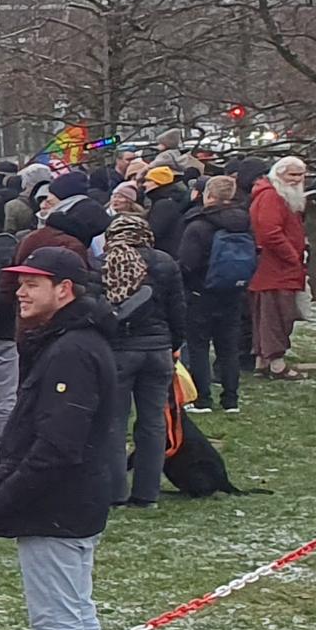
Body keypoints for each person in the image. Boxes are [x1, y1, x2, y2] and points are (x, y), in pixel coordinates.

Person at [0, 246, 120, 630]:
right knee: (77, 614)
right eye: (20, 282)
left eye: (33, 283)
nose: (20, 292)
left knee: (61, 621)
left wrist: (14, 490)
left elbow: (60, 441)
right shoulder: (69, 342)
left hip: (58, 504)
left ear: (64, 290)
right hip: (72, 500)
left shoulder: (72, 349)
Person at [105, 210, 182, 507]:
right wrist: (174, 344)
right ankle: (147, 493)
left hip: (119, 350)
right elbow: (178, 309)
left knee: (115, 422)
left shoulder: (104, 261)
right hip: (158, 349)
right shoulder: (165, 262)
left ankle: (116, 492)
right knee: (153, 422)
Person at [174, 171, 253, 413]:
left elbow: (187, 263)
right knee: (228, 347)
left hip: (200, 292)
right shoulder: (244, 222)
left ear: (208, 195)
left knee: (198, 347)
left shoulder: (198, 225)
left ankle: (202, 399)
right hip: (233, 291)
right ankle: (231, 400)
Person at [248, 156, 310, 377]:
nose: (297, 179)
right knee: (278, 316)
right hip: (276, 268)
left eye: (300, 175)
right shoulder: (272, 197)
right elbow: (269, 233)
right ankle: (276, 363)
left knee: (269, 316)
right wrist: (292, 256)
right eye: (292, 174)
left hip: (277, 268)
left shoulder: (276, 195)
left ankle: (263, 361)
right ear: (279, 174)